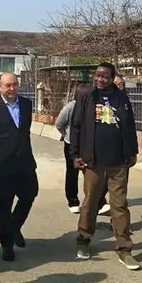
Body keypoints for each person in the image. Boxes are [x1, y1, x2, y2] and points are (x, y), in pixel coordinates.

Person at [70, 62, 140, 270]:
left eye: (105, 76)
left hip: (118, 163)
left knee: (119, 205)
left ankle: (124, 249)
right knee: (90, 203)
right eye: (98, 76)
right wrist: (75, 154)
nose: (100, 79)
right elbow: (75, 126)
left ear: (112, 78)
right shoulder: (86, 96)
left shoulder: (122, 98)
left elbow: (130, 126)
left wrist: (132, 152)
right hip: (93, 162)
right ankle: (83, 239)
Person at [0, 72, 38, 262]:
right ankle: (6, 244)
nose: (12, 88)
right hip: (3, 164)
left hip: (25, 161)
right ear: (0, 87)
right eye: (8, 85)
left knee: (30, 194)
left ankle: (14, 228)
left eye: (15, 84)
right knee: (4, 205)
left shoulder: (26, 104)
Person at [55, 83, 111, 215]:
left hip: (91, 145)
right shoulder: (70, 107)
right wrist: (66, 135)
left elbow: (105, 123)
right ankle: (73, 201)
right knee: (72, 173)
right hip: (71, 144)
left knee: (95, 174)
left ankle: (99, 201)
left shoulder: (99, 107)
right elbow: (59, 124)